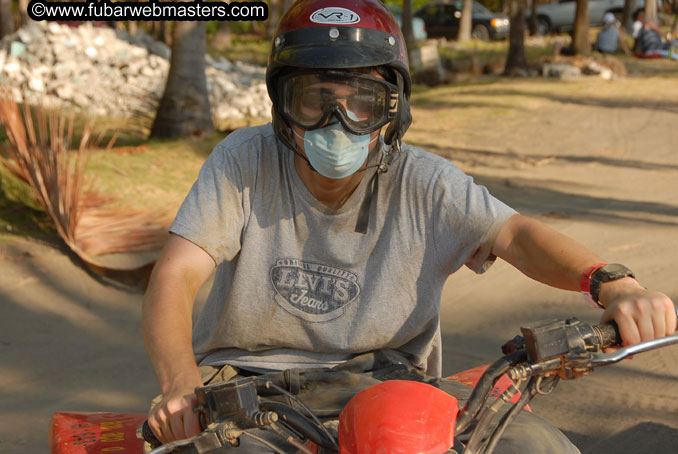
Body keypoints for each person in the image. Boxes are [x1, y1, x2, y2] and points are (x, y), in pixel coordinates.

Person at [142, 0, 677, 452]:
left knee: (543, 448)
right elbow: (176, 274)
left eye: (363, 102)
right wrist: (179, 382)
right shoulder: (243, 160)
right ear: (282, 108)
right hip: (246, 388)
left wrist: (612, 283)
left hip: (395, 387)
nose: (338, 122)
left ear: (393, 110)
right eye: (315, 100)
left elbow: (514, 234)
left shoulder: (424, 180)